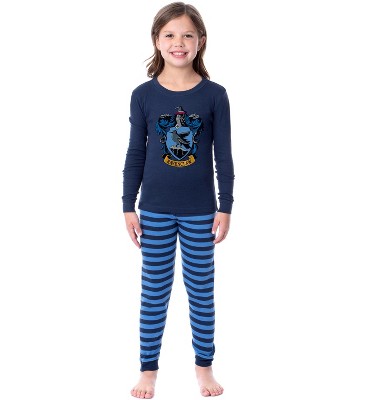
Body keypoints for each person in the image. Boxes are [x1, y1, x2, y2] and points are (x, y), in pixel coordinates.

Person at [122, 2, 234, 398]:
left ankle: (204, 367)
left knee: (201, 293)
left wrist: (225, 206)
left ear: (201, 41)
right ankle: (148, 370)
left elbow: (223, 155)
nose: (178, 42)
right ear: (157, 40)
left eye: (187, 34)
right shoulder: (143, 95)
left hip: (201, 212)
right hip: (153, 210)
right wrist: (128, 205)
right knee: (154, 293)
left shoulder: (215, 95)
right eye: (169, 34)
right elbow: (136, 152)